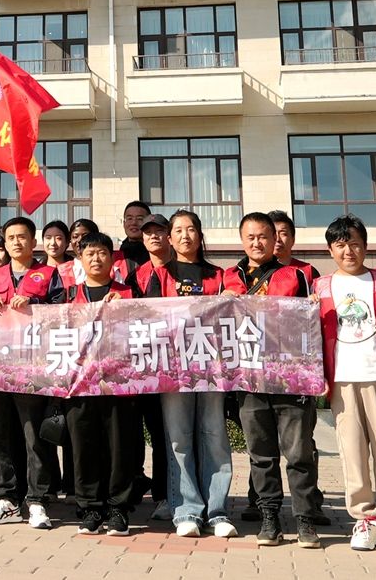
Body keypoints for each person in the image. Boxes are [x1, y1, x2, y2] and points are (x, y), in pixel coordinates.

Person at [316, 215, 376, 554]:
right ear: (331, 250)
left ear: (365, 246)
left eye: (355, 244)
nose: (349, 251)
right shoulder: (321, 286)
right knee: (353, 452)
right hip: (342, 380)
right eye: (341, 245)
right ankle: (365, 519)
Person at [226, 211, 318, 547]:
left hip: (291, 378)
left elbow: (313, 322)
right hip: (249, 378)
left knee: (298, 453)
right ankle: (269, 517)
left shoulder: (298, 274)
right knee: (261, 453)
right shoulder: (229, 278)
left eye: (263, 236)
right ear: (242, 240)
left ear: (274, 239)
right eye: (250, 237)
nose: (257, 242)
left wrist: (313, 306)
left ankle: (305, 519)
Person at [150, 210, 234, 538]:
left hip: (213, 367)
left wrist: (231, 299)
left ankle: (217, 511)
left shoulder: (219, 276)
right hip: (172, 369)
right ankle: (186, 509)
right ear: (170, 238)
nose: (185, 236)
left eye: (191, 229)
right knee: (179, 437)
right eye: (179, 230)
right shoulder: (160, 275)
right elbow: (149, 317)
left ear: (200, 235)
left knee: (214, 436)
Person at [0, 216, 65, 530]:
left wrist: (35, 303)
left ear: (33, 242)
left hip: (32, 369)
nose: (16, 242)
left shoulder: (48, 275)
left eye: (22, 237)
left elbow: (63, 313)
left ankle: (37, 500)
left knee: (33, 437)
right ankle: (6, 498)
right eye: (11, 238)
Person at [65, 230, 140, 538]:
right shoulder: (68, 296)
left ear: (112, 259)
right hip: (79, 386)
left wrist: (125, 308)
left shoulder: (130, 293)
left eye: (102, 253)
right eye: (90, 254)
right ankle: (90, 508)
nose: (96, 259)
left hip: (119, 385)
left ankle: (119, 508)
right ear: (80, 259)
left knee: (120, 447)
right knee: (84, 447)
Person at [268, 209, 330, 528]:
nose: (277, 239)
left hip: (297, 371)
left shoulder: (306, 272)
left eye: (284, 233)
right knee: (263, 441)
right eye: (272, 233)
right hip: (261, 370)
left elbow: (316, 320)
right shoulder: (248, 273)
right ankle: (259, 500)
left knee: (302, 442)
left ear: (292, 238)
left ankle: (310, 502)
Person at [128, 214, 175, 516]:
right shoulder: (137, 276)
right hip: (144, 365)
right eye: (149, 233)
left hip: (178, 366)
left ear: (169, 236)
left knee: (169, 435)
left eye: (160, 231)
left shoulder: (183, 271)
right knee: (147, 431)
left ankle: (169, 493)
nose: (154, 236)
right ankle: (149, 491)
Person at [118, 200, 154, 267]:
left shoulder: (157, 253)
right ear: (124, 223)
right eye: (129, 218)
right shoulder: (116, 256)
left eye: (140, 219)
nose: (134, 223)